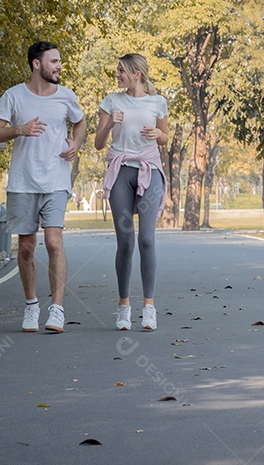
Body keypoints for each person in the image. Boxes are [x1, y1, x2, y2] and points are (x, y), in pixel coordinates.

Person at [0, 41, 86, 333]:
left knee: (54, 242)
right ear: (36, 64)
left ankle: (57, 309)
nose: (59, 66)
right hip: (23, 182)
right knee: (27, 247)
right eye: (53, 61)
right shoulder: (13, 96)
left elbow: (80, 122)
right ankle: (31, 306)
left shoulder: (66, 96)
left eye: (59, 61)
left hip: (56, 179)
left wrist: (76, 144)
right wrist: (19, 129)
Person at [94, 54, 169, 331]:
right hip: (121, 172)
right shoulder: (111, 101)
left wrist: (156, 136)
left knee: (147, 240)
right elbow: (98, 144)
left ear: (137, 74)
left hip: (149, 171)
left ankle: (149, 307)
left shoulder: (157, 101)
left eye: (122, 71)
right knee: (125, 242)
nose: (118, 75)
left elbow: (165, 137)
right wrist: (110, 124)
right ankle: (123, 306)